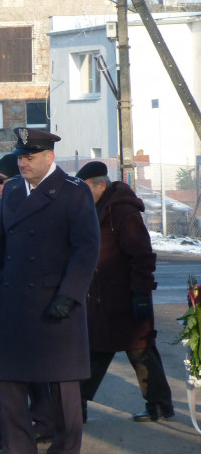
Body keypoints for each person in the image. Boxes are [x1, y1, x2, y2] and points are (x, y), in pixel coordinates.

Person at [0, 128, 100, 454]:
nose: (22, 162)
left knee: (62, 389)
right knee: (11, 385)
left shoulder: (74, 192)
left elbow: (86, 249)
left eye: (29, 157)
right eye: (20, 157)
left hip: (55, 304)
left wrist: (70, 294)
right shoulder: (14, 189)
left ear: (49, 157)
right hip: (14, 300)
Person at [76, 161, 175, 423]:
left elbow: (142, 255)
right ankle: (75, 407)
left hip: (128, 297)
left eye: (86, 188)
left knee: (141, 351)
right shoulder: (92, 209)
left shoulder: (123, 213)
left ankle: (159, 405)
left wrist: (141, 293)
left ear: (101, 185)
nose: (81, 194)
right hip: (101, 298)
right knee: (95, 350)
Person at [0, 153, 54, 450]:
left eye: (2, 180)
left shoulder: (35, 210)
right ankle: (14, 425)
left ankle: (36, 422)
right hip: (2, 299)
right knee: (10, 371)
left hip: (31, 301)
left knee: (28, 369)